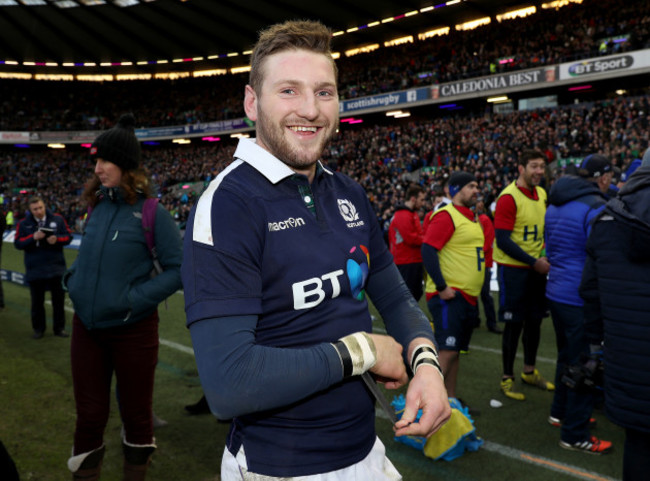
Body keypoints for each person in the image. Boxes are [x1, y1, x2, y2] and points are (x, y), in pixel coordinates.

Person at [181, 20, 450, 480]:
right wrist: (362, 350)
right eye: (288, 90)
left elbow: (394, 297)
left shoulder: (348, 192)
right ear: (252, 102)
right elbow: (229, 383)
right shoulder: (228, 205)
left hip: (365, 450)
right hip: (281, 467)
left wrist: (426, 363)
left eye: (324, 92)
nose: (310, 109)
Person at [63, 114, 182, 481]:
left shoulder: (152, 212)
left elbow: (179, 269)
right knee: (89, 416)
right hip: (87, 329)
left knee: (136, 415)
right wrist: (74, 280)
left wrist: (134, 299)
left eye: (105, 161)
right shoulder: (96, 207)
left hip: (133, 332)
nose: (97, 168)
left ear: (126, 165)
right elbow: (86, 257)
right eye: (95, 161)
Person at [580, 161, 650, 480]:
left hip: (626, 361)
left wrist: (596, 347)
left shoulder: (606, 218)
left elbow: (590, 291)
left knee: (637, 444)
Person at [544, 154, 613, 454]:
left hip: (557, 290)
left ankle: (561, 412)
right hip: (580, 296)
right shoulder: (594, 206)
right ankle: (575, 433)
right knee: (585, 363)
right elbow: (599, 255)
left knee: (567, 358)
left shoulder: (555, 204)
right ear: (602, 177)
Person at [493, 149, 554, 401]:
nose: (539, 171)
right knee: (514, 324)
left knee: (535, 321)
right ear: (521, 168)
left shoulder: (541, 193)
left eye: (542, 166)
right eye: (533, 166)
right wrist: (532, 262)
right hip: (514, 271)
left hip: (537, 269)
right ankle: (507, 377)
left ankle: (529, 370)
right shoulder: (508, 197)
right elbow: (503, 240)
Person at [422, 172, 484, 400]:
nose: (476, 189)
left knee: (454, 351)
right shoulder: (447, 215)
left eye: (477, 185)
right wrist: (441, 287)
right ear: (456, 190)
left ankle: (449, 402)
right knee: (446, 352)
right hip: (450, 297)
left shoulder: (471, 217)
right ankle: (423, 407)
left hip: (466, 297)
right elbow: (428, 250)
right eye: (470, 186)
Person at [14, 196, 72, 338]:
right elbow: (18, 243)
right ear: (30, 210)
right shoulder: (23, 224)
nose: (39, 211)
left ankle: (59, 329)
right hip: (35, 269)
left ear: (44, 206)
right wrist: (33, 237)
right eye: (35, 209)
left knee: (58, 302)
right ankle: (39, 329)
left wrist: (57, 239)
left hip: (56, 268)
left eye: (40, 208)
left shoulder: (57, 219)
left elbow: (69, 236)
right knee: (37, 302)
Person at [388, 184, 426, 301]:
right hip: (406, 261)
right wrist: (427, 239)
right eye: (422, 199)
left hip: (412, 260)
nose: (423, 203)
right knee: (410, 296)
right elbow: (411, 238)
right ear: (413, 199)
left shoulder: (410, 213)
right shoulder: (403, 215)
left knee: (415, 294)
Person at [475, 198, 500, 334]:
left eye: (480, 201)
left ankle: (492, 322)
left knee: (485, 294)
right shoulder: (476, 219)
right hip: (476, 262)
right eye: (477, 202)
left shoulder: (484, 219)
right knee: (474, 293)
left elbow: (488, 241)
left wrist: (474, 252)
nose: (479, 204)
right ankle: (475, 320)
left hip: (483, 263)